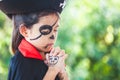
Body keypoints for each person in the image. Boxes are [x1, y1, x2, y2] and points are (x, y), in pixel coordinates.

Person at [0, 0, 68, 80]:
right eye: (46, 31)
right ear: (25, 31)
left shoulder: (50, 58)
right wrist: (53, 71)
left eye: (55, 30)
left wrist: (63, 74)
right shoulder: (21, 63)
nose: (53, 37)